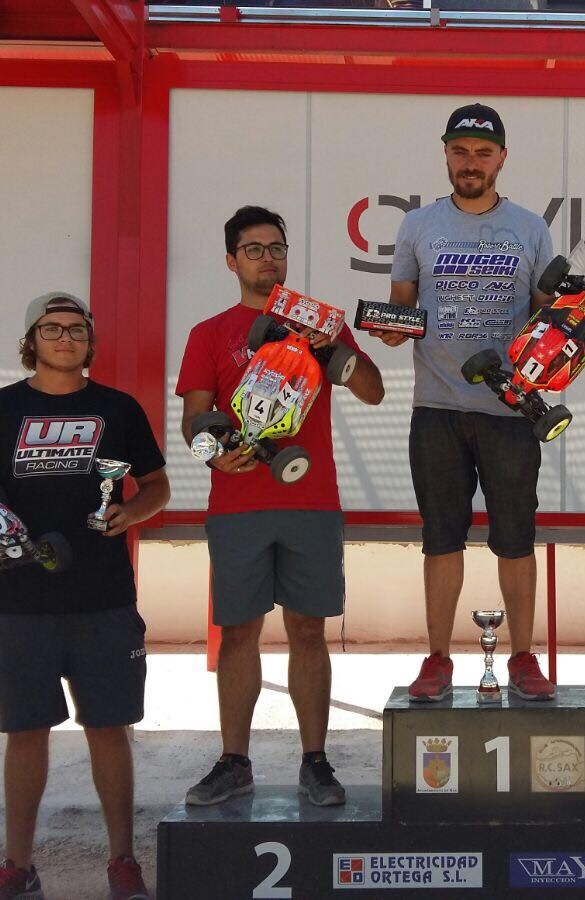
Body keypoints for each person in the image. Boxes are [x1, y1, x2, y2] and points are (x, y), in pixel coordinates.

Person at [0, 292, 169, 900]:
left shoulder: (118, 408)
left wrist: (131, 512)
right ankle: (18, 867)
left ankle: (123, 861)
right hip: (21, 601)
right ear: (31, 340)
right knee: (26, 732)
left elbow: (156, 485)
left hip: (104, 598)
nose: (65, 338)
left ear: (89, 341)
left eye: (77, 329)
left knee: (109, 729)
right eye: (52, 329)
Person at [177, 206, 385, 808]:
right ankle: (234, 761)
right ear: (231, 261)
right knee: (239, 632)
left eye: (276, 248)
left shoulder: (320, 323)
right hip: (237, 503)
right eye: (253, 249)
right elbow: (194, 420)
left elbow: (373, 392)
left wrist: (334, 352)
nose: (267, 259)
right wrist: (214, 456)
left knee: (308, 631)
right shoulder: (210, 332)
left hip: (311, 499)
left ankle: (315, 762)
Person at [374, 102, 557, 702]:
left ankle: (522, 656)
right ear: (446, 154)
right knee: (440, 539)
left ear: (502, 158)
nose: (470, 162)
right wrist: (393, 327)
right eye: (460, 151)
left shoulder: (531, 228)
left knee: (516, 539)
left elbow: (548, 320)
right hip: (436, 407)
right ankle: (438, 658)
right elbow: (402, 305)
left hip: (511, 410)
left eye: (483, 152)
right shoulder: (417, 225)